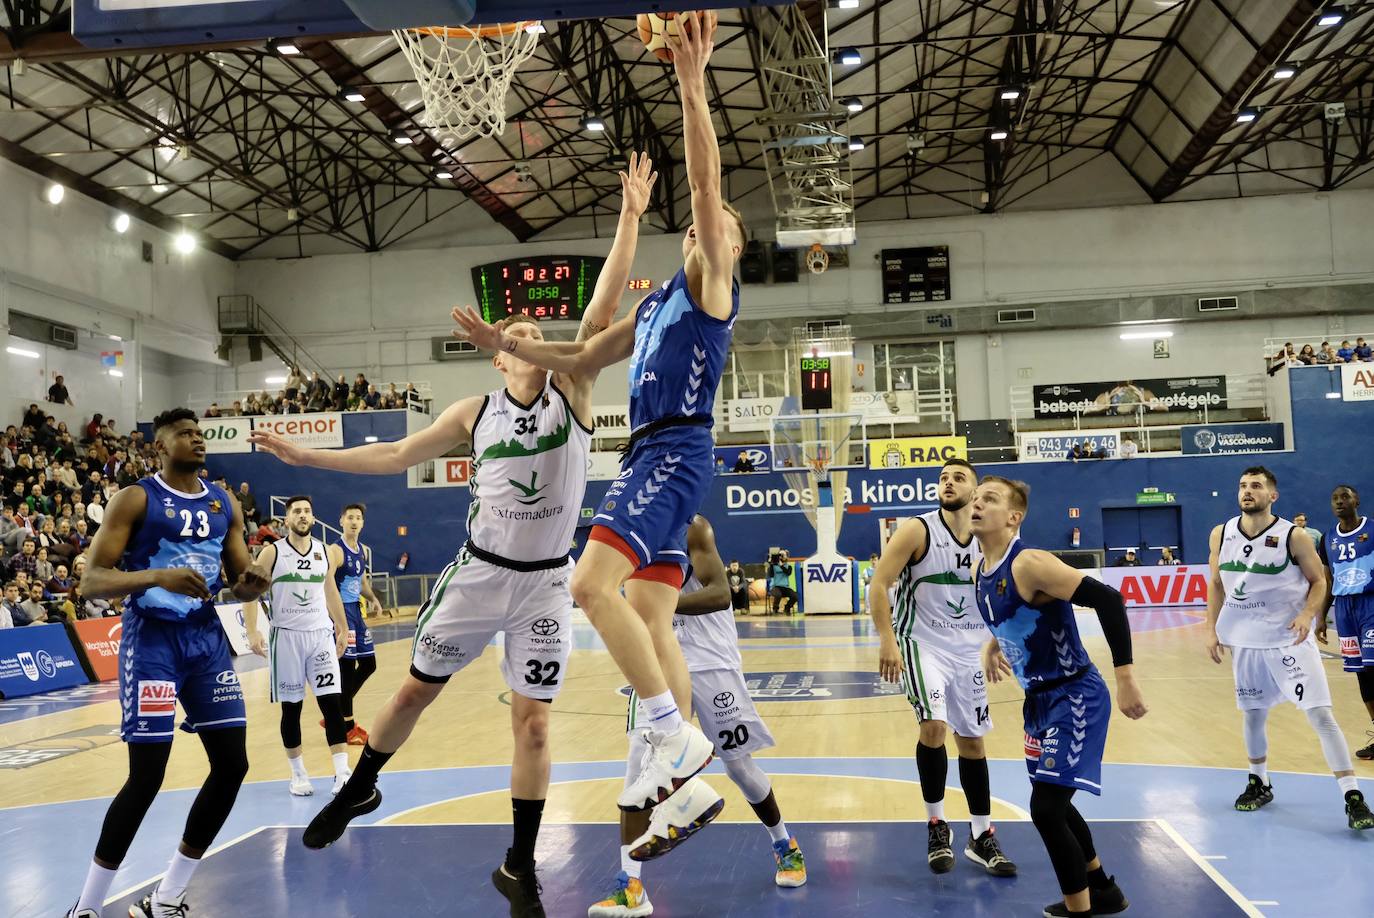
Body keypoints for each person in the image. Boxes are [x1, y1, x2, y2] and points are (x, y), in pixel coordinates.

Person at [249, 151, 656, 917]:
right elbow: (396, 454)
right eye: (519, 330)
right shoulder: (473, 414)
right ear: (501, 356)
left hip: (543, 581)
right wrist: (306, 454)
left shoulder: (573, 389)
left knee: (533, 725)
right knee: (411, 691)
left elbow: (599, 311)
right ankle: (362, 784)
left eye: (539, 327)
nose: (532, 333)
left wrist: (629, 217)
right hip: (477, 573)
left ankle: (519, 863)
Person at [450, 10, 747, 846]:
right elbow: (581, 352)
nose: (701, 228)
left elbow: (706, 186)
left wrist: (691, 86)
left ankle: (675, 741)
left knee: (586, 587)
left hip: (675, 448)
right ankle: (678, 778)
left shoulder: (714, 292)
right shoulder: (658, 305)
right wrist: (504, 341)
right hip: (647, 454)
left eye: (715, 226)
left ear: (727, 248)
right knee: (653, 616)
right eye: (695, 228)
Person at [64, 407, 270, 918]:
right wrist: (157, 578)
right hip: (152, 644)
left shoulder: (225, 502)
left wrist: (255, 584)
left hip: (206, 643)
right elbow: (91, 581)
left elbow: (239, 575)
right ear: (160, 446)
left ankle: (169, 897)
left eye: (200, 434)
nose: (197, 440)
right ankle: (87, 907)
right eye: (185, 434)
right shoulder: (136, 498)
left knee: (232, 765)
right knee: (147, 777)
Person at [590, 516, 806, 915]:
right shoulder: (624, 528)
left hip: (711, 661)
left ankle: (784, 844)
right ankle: (630, 885)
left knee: (739, 767)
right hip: (657, 663)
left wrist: (661, 603)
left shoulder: (693, 527)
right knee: (638, 766)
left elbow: (721, 592)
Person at [972, 476, 1147, 918]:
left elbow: (1109, 599)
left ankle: (1081, 911)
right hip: (1038, 702)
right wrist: (994, 644)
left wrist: (1124, 677)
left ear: (1013, 517)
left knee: (1046, 809)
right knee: (1057, 803)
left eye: (988, 499)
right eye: (976, 498)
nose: (976, 504)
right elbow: (1012, 614)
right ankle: (1102, 888)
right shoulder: (980, 569)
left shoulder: (1029, 562)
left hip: (1075, 696)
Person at [872, 459, 1017, 879]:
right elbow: (879, 582)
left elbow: (1006, 590)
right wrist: (886, 640)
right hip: (922, 643)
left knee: (972, 741)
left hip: (969, 648)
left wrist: (997, 640)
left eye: (958, 478)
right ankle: (937, 825)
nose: (948, 483)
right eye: (943, 478)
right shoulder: (918, 530)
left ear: (976, 492)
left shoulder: (994, 536)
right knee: (934, 726)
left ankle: (980, 834)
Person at [1205, 467, 1372, 830]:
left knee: (1320, 715)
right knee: (1252, 715)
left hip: (1288, 641)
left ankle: (1352, 796)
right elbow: (1216, 584)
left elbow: (1319, 581)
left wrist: (1308, 615)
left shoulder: (1293, 536)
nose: (1248, 491)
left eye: (1257, 486)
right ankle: (1259, 781)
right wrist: (1211, 629)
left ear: (1272, 496)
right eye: (1243, 486)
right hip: (1245, 642)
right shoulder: (1221, 534)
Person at [243, 495, 352, 796]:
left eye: (307, 511)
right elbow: (250, 592)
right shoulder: (271, 553)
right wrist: (252, 631)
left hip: (320, 636)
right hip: (287, 637)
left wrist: (342, 627)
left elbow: (330, 590)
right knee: (292, 709)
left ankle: (342, 773)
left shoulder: (324, 551)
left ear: (313, 518)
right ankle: (298, 774)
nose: (302, 516)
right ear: (286, 519)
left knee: (332, 704)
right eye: (296, 512)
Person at [1317, 485, 1374, 761]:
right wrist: (1320, 616)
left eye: (1345, 497)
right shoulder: (1327, 538)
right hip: (1344, 610)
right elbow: (1328, 580)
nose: (1339, 501)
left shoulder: (1373, 529)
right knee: (1362, 674)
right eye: (1335, 498)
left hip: (1371, 603)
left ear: (1357, 500)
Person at [328, 502, 387, 744]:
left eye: (358, 517)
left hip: (357, 612)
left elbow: (362, 583)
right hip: (342, 613)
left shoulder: (361, 550)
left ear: (363, 522)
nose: (354, 521)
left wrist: (373, 599)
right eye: (349, 517)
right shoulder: (335, 550)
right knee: (346, 669)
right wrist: (335, 617)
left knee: (369, 664)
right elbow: (327, 582)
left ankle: (336, 713)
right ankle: (347, 726)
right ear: (341, 521)